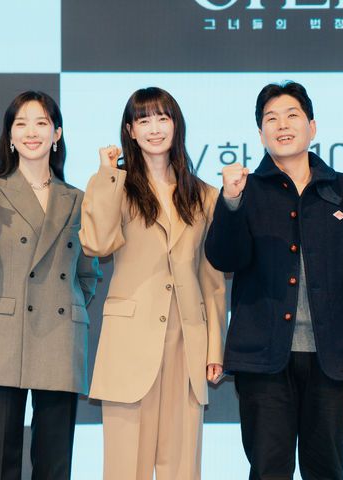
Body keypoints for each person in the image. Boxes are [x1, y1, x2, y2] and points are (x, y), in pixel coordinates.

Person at [204, 81, 343, 480]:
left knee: (326, 470)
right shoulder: (246, 190)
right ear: (260, 134)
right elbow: (224, 258)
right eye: (271, 119)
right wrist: (231, 202)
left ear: (312, 127)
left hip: (332, 358)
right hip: (263, 358)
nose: (282, 125)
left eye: (292, 116)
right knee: (269, 469)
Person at [79, 87, 226, 480]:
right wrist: (108, 174)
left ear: (176, 125)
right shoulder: (115, 184)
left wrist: (215, 346)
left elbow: (212, 279)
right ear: (130, 130)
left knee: (183, 468)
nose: (155, 128)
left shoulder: (204, 195)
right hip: (129, 342)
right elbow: (96, 243)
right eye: (144, 120)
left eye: (163, 118)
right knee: (126, 467)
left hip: (187, 343)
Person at [0, 90, 102, 479]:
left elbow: (87, 273)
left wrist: (68, 302)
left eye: (41, 123)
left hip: (60, 333)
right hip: (4, 334)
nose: (31, 132)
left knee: (54, 462)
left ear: (57, 133)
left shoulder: (78, 199)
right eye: (21, 123)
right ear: (9, 136)